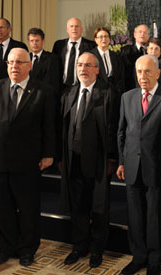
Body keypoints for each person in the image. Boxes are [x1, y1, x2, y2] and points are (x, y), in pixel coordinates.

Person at [0, 48, 55, 266]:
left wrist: (49, 154)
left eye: (19, 62)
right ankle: (6, 248)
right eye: (10, 62)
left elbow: (49, 125)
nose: (14, 66)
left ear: (29, 65)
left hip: (28, 161)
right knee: (3, 208)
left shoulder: (43, 91)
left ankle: (27, 249)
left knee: (28, 209)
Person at [117, 55, 161, 275]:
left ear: (158, 73)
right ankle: (138, 257)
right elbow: (122, 132)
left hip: (157, 168)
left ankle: (155, 259)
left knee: (154, 217)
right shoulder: (127, 97)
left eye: (147, 71)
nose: (142, 76)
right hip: (132, 166)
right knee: (134, 216)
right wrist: (122, 161)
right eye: (139, 71)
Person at [59, 52, 119, 268]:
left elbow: (113, 128)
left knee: (99, 209)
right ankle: (79, 246)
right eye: (79, 65)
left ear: (97, 69)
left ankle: (97, 249)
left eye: (88, 65)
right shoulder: (70, 93)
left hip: (98, 162)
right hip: (73, 160)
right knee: (78, 207)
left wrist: (112, 157)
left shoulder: (108, 94)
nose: (83, 69)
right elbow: (63, 128)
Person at [52, 17, 96, 88]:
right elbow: (53, 67)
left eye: (77, 26)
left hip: (81, 87)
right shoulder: (59, 45)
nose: (74, 29)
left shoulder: (91, 46)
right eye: (71, 26)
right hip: (61, 87)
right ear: (67, 30)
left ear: (81, 29)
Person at [90, 27, 126, 95]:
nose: (104, 39)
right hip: (97, 93)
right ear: (95, 39)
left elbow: (121, 77)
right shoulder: (91, 56)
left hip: (114, 93)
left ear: (109, 39)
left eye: (106, 36)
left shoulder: (116, 56)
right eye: (100, 37)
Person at [27, 27, 61, 97]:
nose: (34, 43)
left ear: (43, 41)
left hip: (45, 96)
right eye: (32, 41)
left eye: (37, 40)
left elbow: (52, 82)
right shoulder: (25, 58)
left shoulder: (52, 58)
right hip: (27, 97)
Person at [121, 24, 151, 90]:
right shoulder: (126, 51)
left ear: (149, 36)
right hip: (131, 87)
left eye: (145, 32)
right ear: (134, 35)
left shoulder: (151, 51)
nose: (142, 34)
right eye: (140, 32)